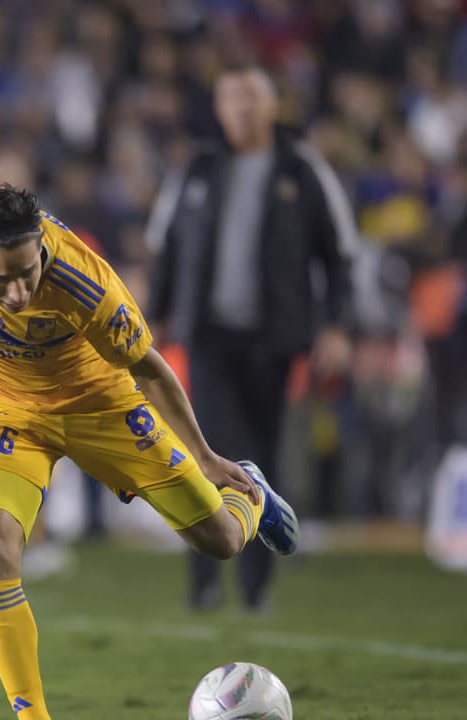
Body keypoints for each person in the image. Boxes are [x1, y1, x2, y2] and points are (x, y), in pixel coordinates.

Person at [0, 89, 300, 720]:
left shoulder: (87, 284)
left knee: (219, 540)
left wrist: (210, 458)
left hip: (100, 406)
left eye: (30, 271)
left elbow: (152, 371)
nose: (22, 291)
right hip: (7, 415)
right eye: (4, 279)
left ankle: (251, 493)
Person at [143, 65, 356, 611]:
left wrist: (335, 324)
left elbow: (340, 254)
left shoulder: (302, 169)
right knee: (200, 453)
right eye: (230, 100)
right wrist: (157, 319)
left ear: (272, 105)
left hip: (274, 337)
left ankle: (257, 587)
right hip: (207, 336)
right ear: (218, 109)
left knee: (265, 451)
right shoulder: (197, 169)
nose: (240, 110)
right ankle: (205, 581)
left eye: (250, 99)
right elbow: (164, 246)